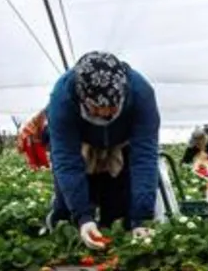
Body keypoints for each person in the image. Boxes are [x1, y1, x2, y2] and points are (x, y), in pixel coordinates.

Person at [45, 51, 160, 249]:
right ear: (83, 98)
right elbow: (66, 161)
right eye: (97, 107)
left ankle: (116, 255)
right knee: (69, 216)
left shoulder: (141, 94)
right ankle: (67, 244)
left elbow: (144, 157)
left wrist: (142, 218)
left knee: (118, 213)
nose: (105, 113)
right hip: (83, 148)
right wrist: (83, 217)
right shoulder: (62, 99)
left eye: (112, 107)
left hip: (120, 149)